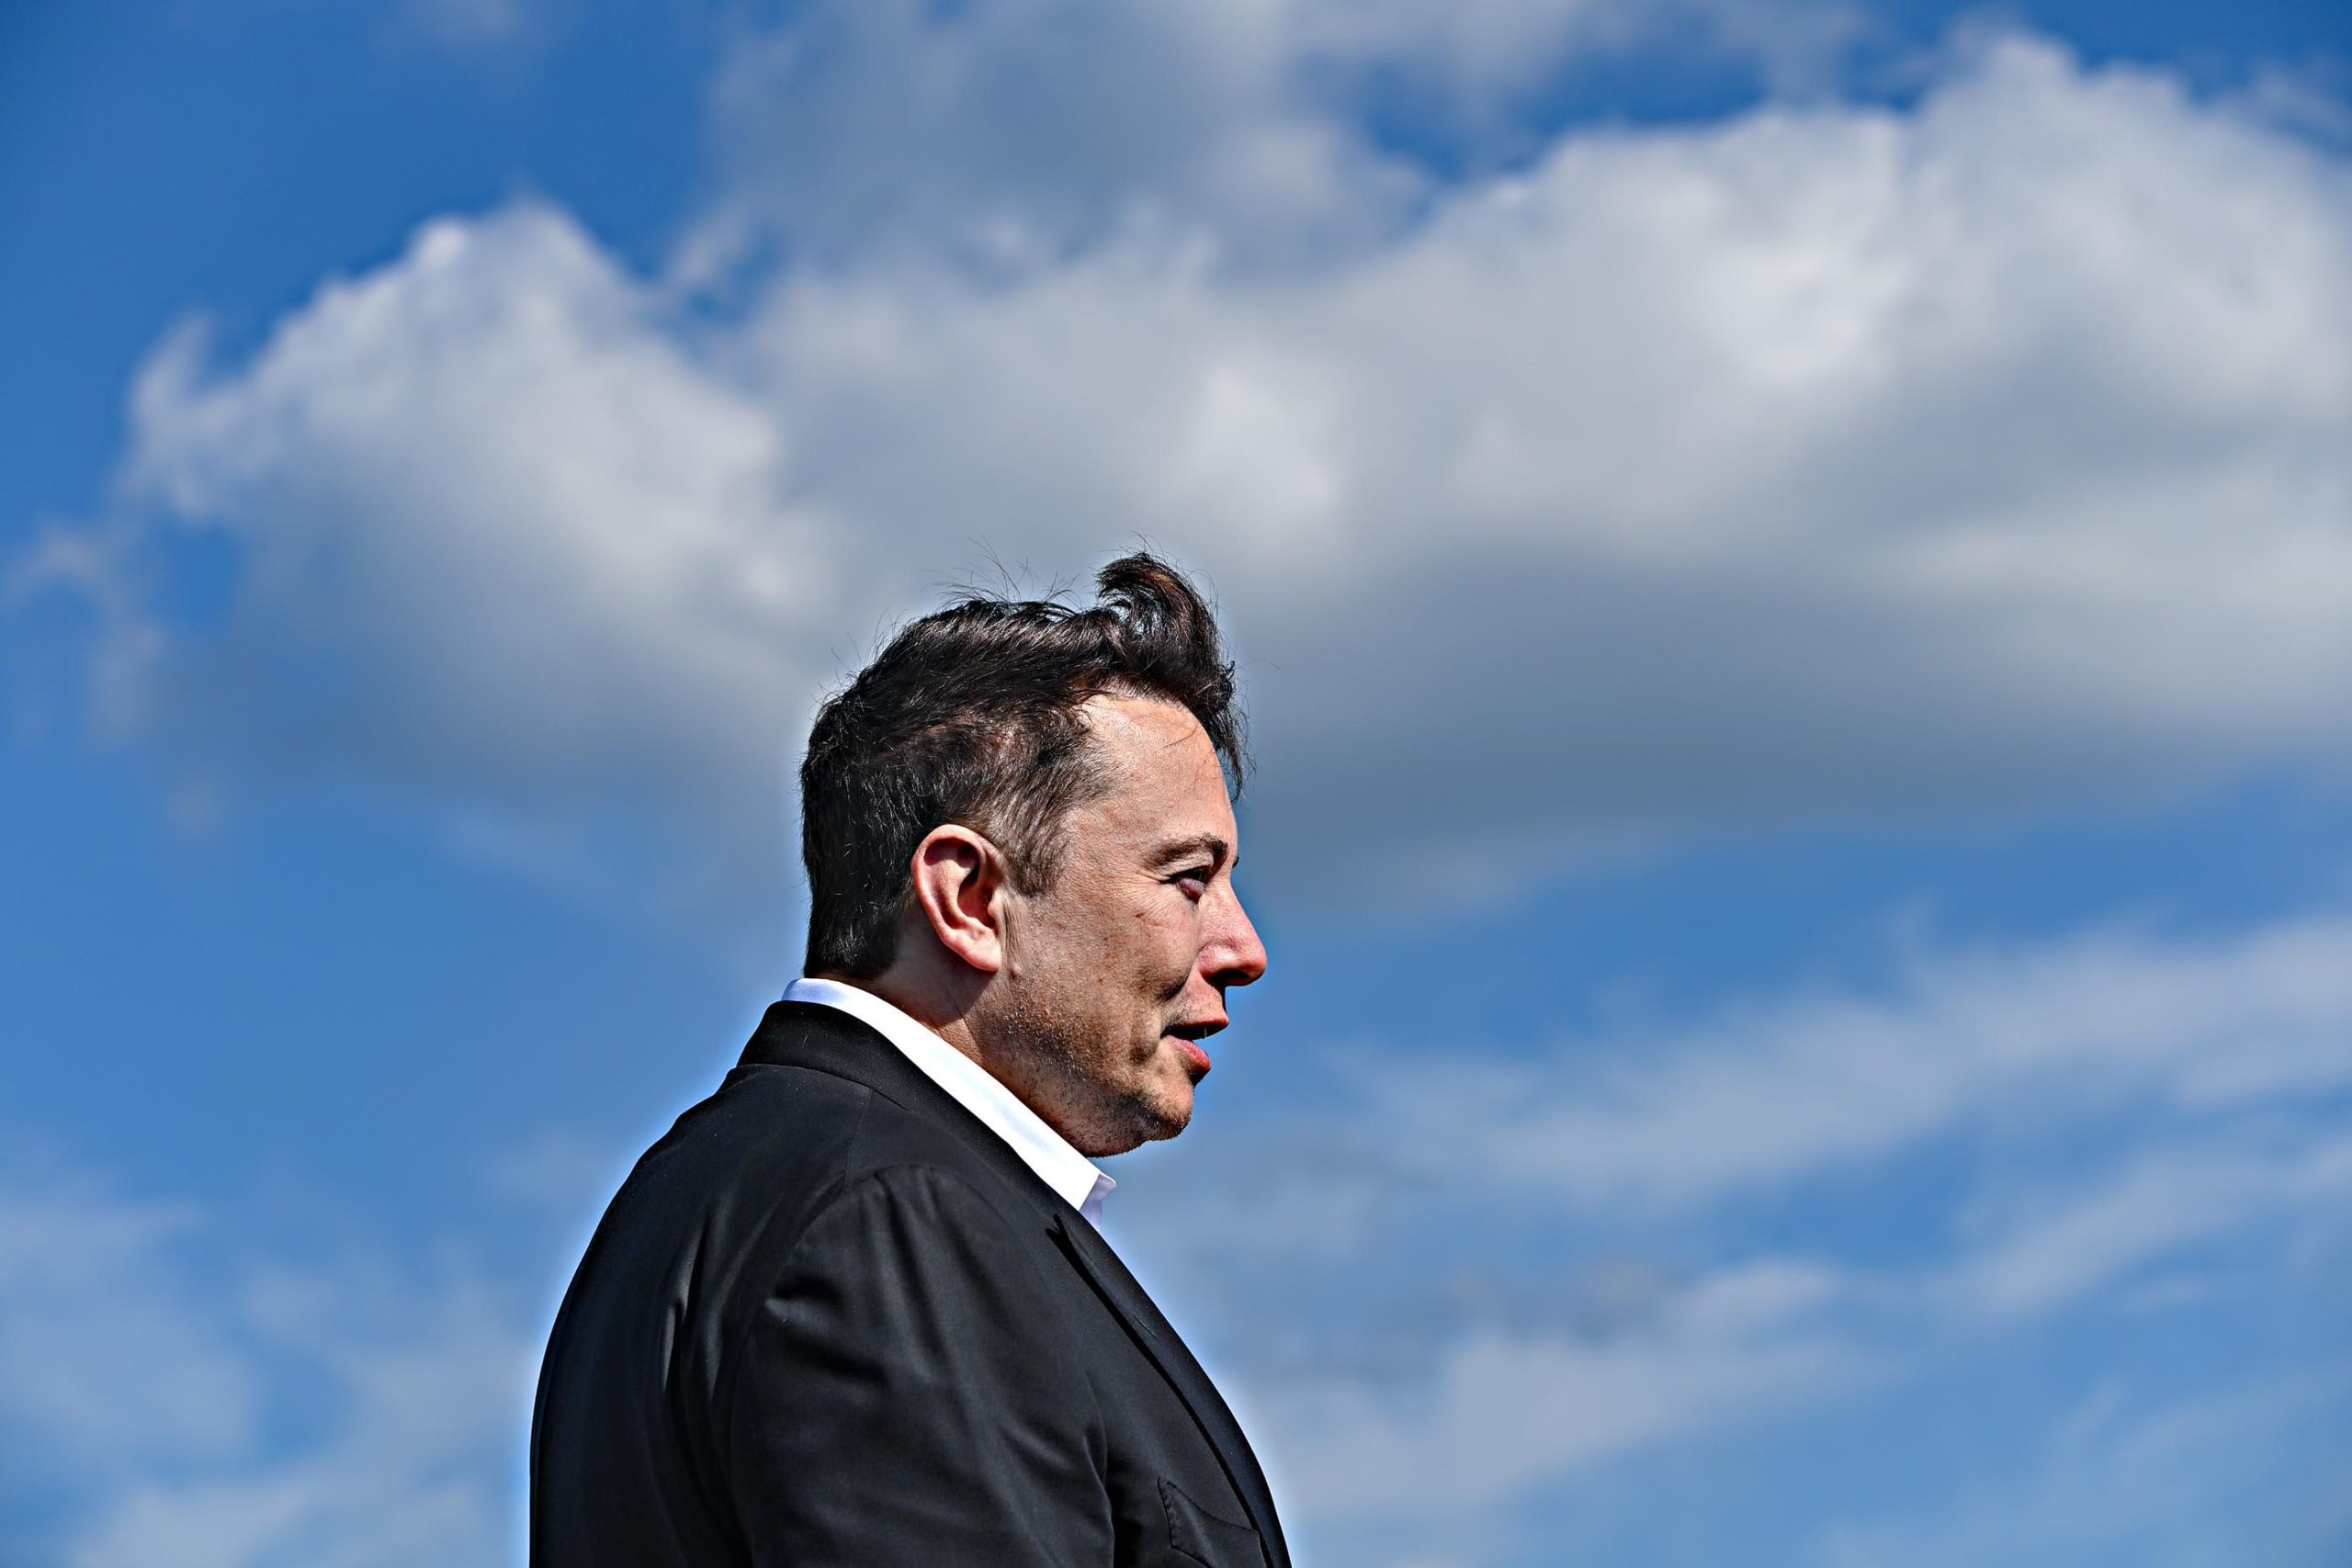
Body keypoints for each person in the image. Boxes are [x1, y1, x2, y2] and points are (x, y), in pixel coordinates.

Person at [530, 553, 1286, 1566]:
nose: (1243, 948)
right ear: (970, 898)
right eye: (1189, 878)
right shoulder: (893, 1221)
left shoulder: (743, 1195)